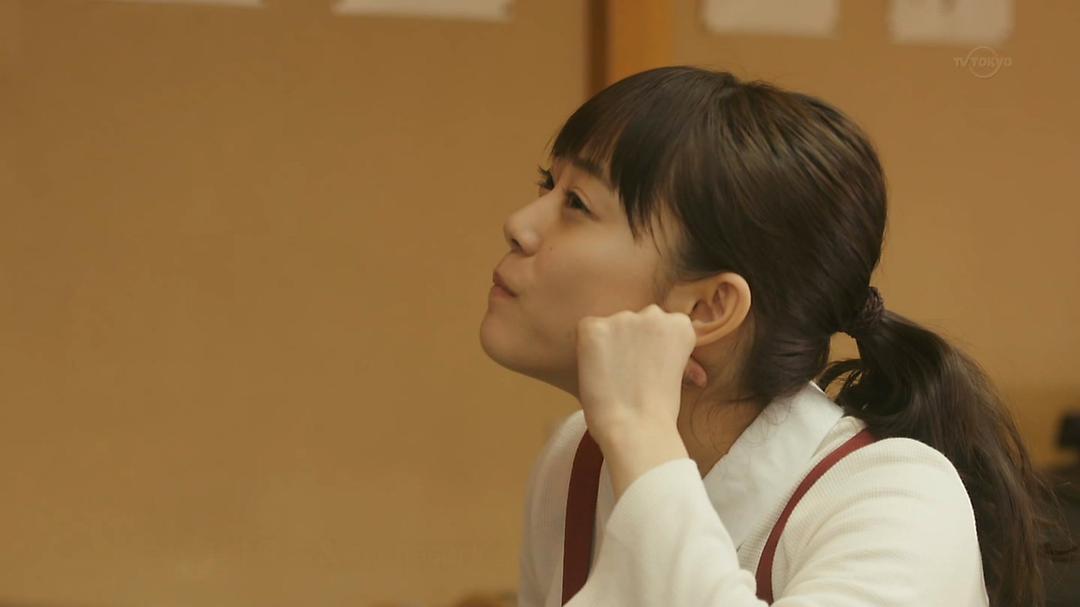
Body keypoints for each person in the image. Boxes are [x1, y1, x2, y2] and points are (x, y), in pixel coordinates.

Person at [477, 66, 1077, 607]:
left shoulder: (895, 501)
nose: (519, 224)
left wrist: (641, 433)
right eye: (547, 185)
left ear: (709, 307)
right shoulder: (577, 458)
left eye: (577, 203)